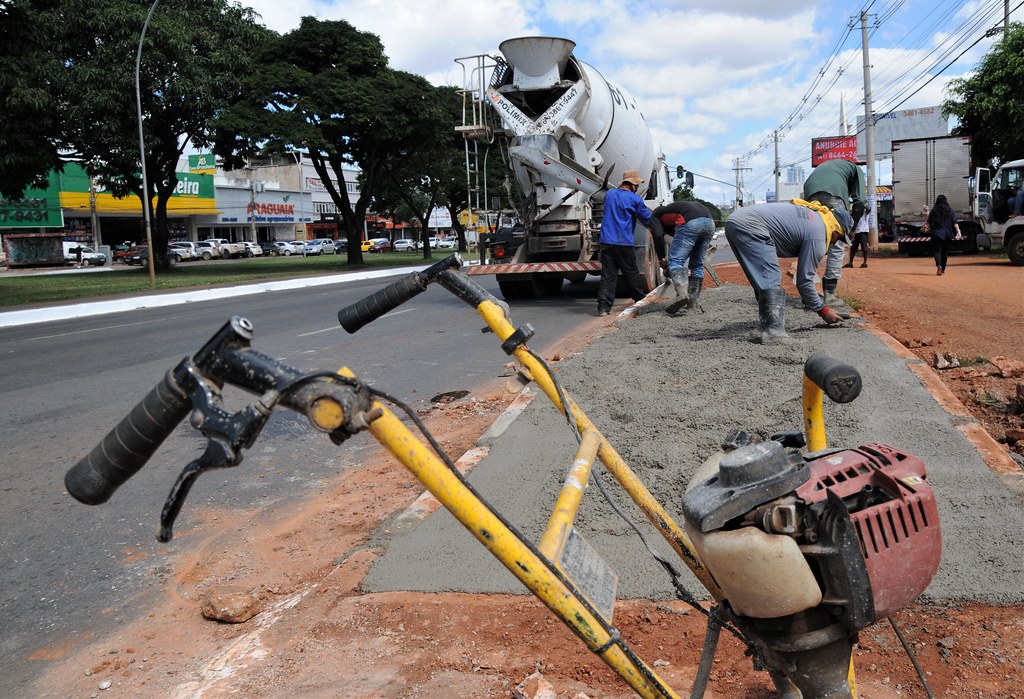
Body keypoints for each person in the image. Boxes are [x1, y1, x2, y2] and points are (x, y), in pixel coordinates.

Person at [724, 200, 851, 344]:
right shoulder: (819, 234)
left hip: (736, 221)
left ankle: (769, 324)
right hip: (751, 225)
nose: (835, 243)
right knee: (770, 275)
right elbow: (804, 282)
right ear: (836, 230)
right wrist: (824, 311)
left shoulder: (815, 217)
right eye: (839, 238)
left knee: (762, 276)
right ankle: (774, 332)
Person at [802, 159, 865, 304]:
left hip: (810, 193)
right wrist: (851, 227)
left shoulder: (831, 167)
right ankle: (829, 295)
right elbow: (860, 201)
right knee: (837, 244)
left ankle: (806, 294)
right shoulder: (856, 169)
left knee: (812, 240)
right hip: (834, 195)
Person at [596, 169, 652, 316]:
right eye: (637, 184)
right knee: (631, 273)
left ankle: (603, 308)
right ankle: (640, 301)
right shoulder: (634, 199)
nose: (637, 187)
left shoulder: (610, 194)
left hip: (606, 241)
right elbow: (646, 218)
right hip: (623, 242)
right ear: (632, 184)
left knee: (608, 275)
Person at [650, 200, 715, 314]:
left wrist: (662, 259)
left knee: (675, 262)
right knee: (697, 264)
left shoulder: (655, 215)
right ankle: (693, 303)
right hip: (710, 222)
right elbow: (679, 242)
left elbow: (658, 235)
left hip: (690, 222)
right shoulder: (673, 210)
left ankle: (682, 296)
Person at [926, 194, 960, 276]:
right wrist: (958, 231)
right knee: (945, 252)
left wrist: (927, 212)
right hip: (947, 234)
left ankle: (939, 266)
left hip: (936, 233)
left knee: (937, 251)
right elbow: (954, 222)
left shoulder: (934, 211)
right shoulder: (950, 211)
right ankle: (943, 269)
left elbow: (929, 222)